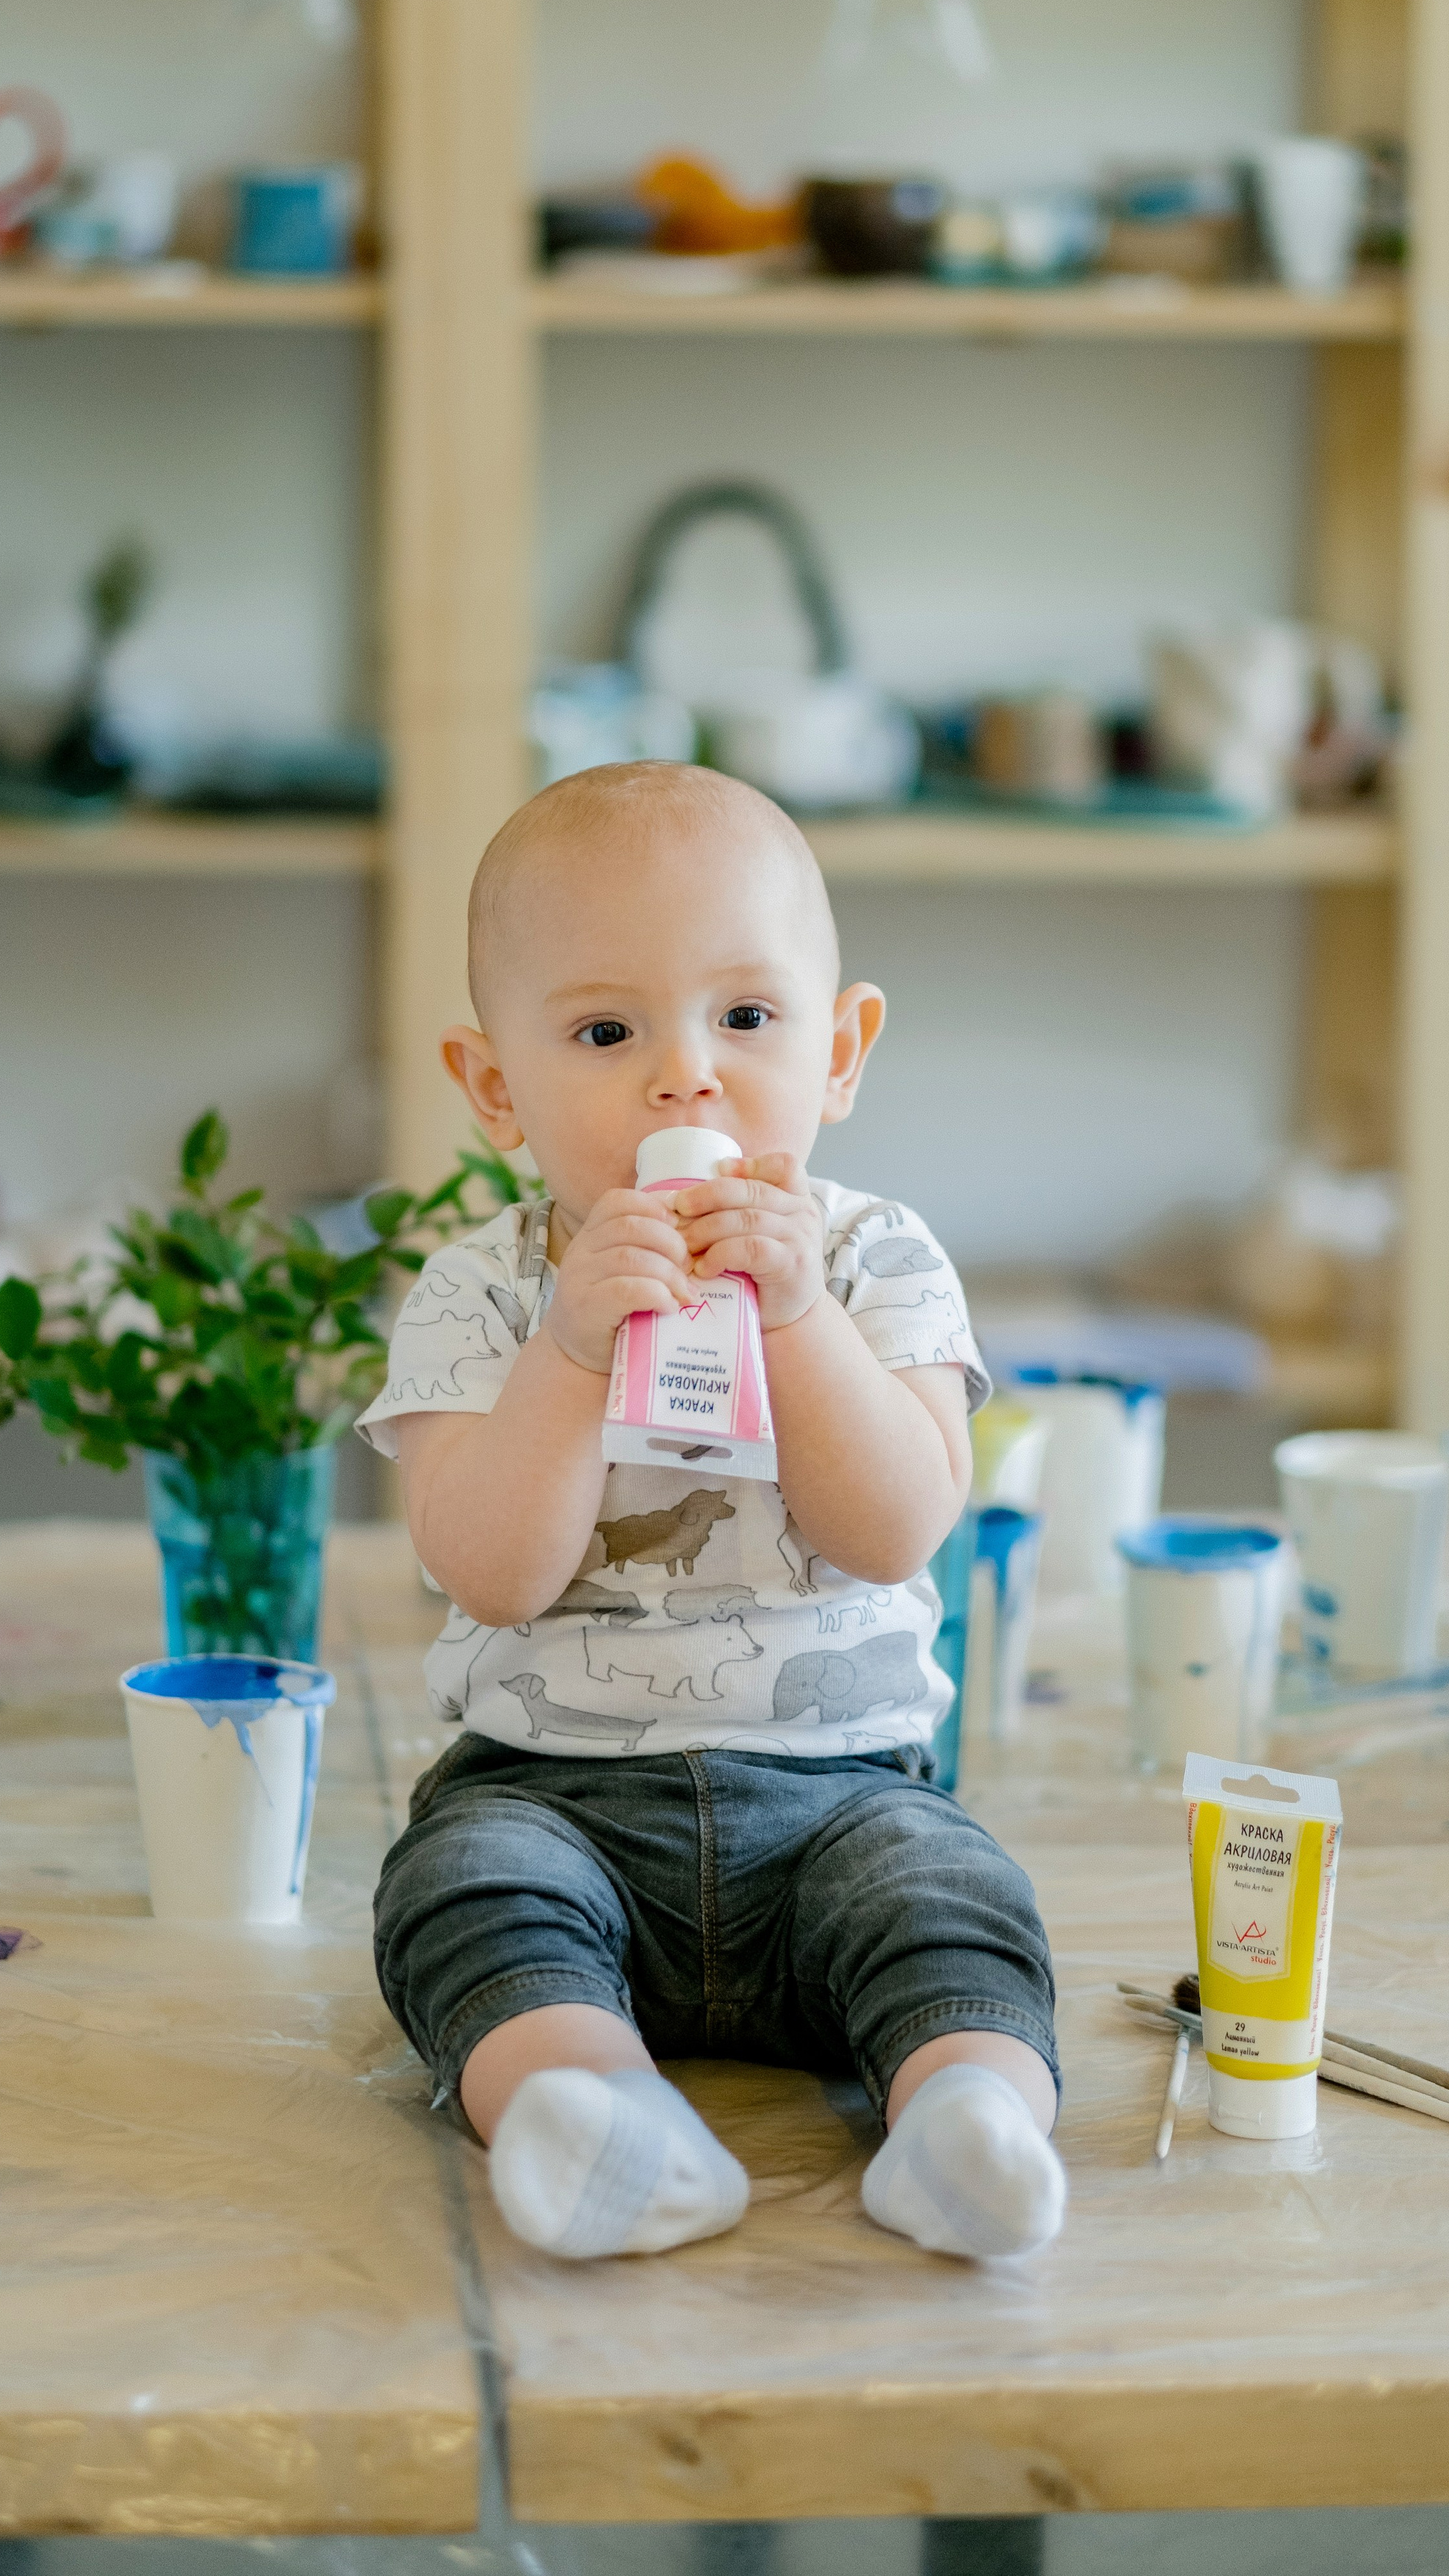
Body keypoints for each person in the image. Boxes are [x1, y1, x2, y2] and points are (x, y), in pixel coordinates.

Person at [358, 761, 1063, 2265]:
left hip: (841, 1796)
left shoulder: (876, 1260)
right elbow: (488, 1573)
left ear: (839, 1049)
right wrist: (570, 1349)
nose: (686, 1078)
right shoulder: (480, 1292)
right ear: (495, 1089)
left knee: (950, 1894)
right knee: (459, 1891)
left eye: (744, 1017)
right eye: (606, 1032)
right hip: (551, 1798)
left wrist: (796, 1317)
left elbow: (893, 1531)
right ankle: (597, 2112)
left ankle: (964, 2122)